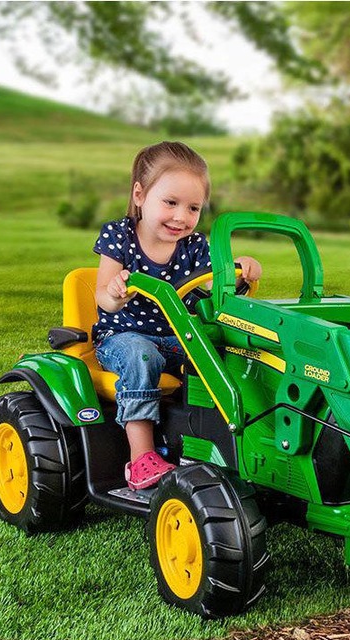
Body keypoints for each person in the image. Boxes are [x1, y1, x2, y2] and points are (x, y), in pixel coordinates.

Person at [93, 141, 262, 491]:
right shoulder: (119, 236)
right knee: (142, 356)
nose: (181, 217)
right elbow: (102, 299)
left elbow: (216, 287)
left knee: (225, 351)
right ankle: (141, 456)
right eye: (170, 202)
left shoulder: (195, 247)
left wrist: (241, 271)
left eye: (193, 208)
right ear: (140, 195)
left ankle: (227, 443)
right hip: (122, 337)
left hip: (176, 337)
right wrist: (114, 293)